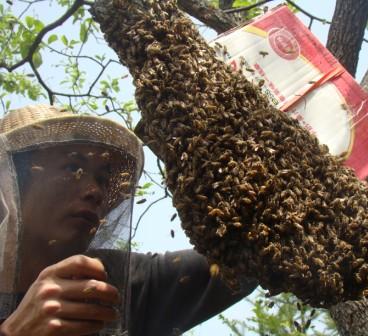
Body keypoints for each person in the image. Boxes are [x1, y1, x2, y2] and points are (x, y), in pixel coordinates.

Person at [0, 104, 255, 336]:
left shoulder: (115, 280)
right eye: (72, 168)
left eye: (102, 178)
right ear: (12, 183)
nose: (96, 191)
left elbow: (248, 252)